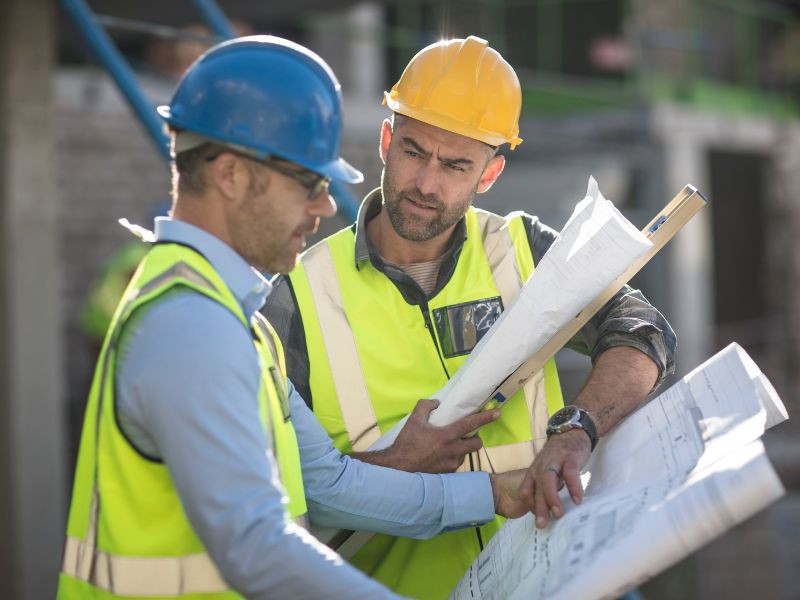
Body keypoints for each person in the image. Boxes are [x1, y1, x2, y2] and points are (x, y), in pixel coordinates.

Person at [58, 36, 534, 600]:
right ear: (231, 174)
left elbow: (330, 483)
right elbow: (257, 548)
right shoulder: (191, 328)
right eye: (308, 182)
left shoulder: (235, 319)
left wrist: (496, 495)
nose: (326, 205)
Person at [263, 35, 677, 599]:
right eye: (413, 152)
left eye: (456, 165)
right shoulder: (297, 294)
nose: (427, 184)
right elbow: (272, 492)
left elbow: (642, 331)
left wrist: (578, 429)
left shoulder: (524, 249)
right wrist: (392, 464)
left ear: (490, 173)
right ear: (386, 139)